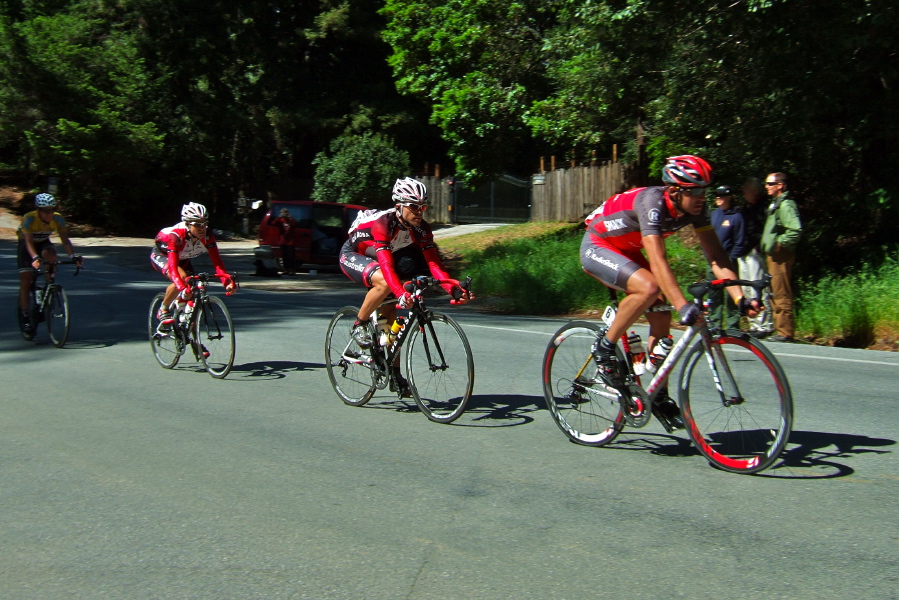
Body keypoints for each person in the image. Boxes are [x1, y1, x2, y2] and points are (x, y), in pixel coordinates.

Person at [581, 155, 760, 431]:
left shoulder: (694, 210)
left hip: (628, 251)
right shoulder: (651, 203)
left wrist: (741, 298)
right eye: (696, 191)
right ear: (675, 191)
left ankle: (657, 394)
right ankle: (604, 348)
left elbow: (717, 257)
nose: (703, 197)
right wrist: (683, 305)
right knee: (650, 288)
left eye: (705, 190)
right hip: (598, 245)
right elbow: (658, 260)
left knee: (662, 316)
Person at [339, 177, 473, 396]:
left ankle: (394, 373)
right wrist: (401, 293)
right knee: (385, 282)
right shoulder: (384, 224)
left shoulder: (421, 229)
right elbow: (386, 265)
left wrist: (453, 288)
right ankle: (359, 324)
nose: (419, 211)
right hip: (354, 253)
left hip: (385, 255)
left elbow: (434, 264)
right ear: (399, 205)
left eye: (423, 206)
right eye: (413, 206)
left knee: (394, 323)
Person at [150, 202, 237, 332]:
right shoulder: (176, 236)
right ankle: (163, 309)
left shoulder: (207, 236)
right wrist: (182, 287)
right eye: (197, 224)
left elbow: (217, 263)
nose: (202, 228)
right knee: (183, 278)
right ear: (187, 224)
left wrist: (226, 282)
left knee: (193, 298)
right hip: (163, 256)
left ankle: (194, 340)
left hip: (183, 259)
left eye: (204, 223)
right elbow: (173, 267)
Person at [16, 193, 83, 334]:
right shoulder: (29, 218)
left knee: (52, 254)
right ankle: (25, 316)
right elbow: (28, 242)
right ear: (38, 210)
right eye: (45, 211)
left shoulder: (58, 218)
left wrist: (72, 256)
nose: (49, 213)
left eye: (51, 210)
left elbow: (65, 240)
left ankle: (48, 287)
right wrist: (35, 258)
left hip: (43, 242)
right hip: (27, 244)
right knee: (26, 279)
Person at [760, 172, 802, 342]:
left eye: (770, 184)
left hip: (781, 255)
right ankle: (779, 328)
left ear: (780, 186)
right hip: (773, 255)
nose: (766, 187)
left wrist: (780, 242)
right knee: (774, 291)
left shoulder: (785, 205)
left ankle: (785, 332)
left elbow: (795, 230)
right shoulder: (776, 204)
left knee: (781, 292)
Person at [707, 185, 746, 334]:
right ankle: (715, 323)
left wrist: (731, 258)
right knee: (714, 292)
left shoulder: (736, 216)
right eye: (717, 196)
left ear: (729, 197)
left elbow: (739, 241)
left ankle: (733, 325)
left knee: (732, 294)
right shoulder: (714, 214)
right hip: (712, 261)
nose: (718, 198)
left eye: (721, 196)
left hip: (728, 261)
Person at [739, 177, 774, 336]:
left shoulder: (762, 208)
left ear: (754, 191)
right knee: (746, 288)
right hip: (744, 251)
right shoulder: (747, 207)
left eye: (746, 190)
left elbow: (762, 231)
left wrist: (756, 246)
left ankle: (764, 325)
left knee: (758, 287)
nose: (744, 193)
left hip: (755, 251)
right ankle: (753, 324)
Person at [270, 208, 298, 275]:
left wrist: (290, 218)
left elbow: (295, 225)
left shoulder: (291, 220)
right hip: (283, 241)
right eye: (282, 213)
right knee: (284, 256)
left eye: (285, 213)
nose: (284, 214)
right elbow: (273, 223)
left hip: (290, 241)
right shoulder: (280, 220)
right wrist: (279, 217)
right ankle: (286, 269)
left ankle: (292, 270)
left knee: (290, 256)